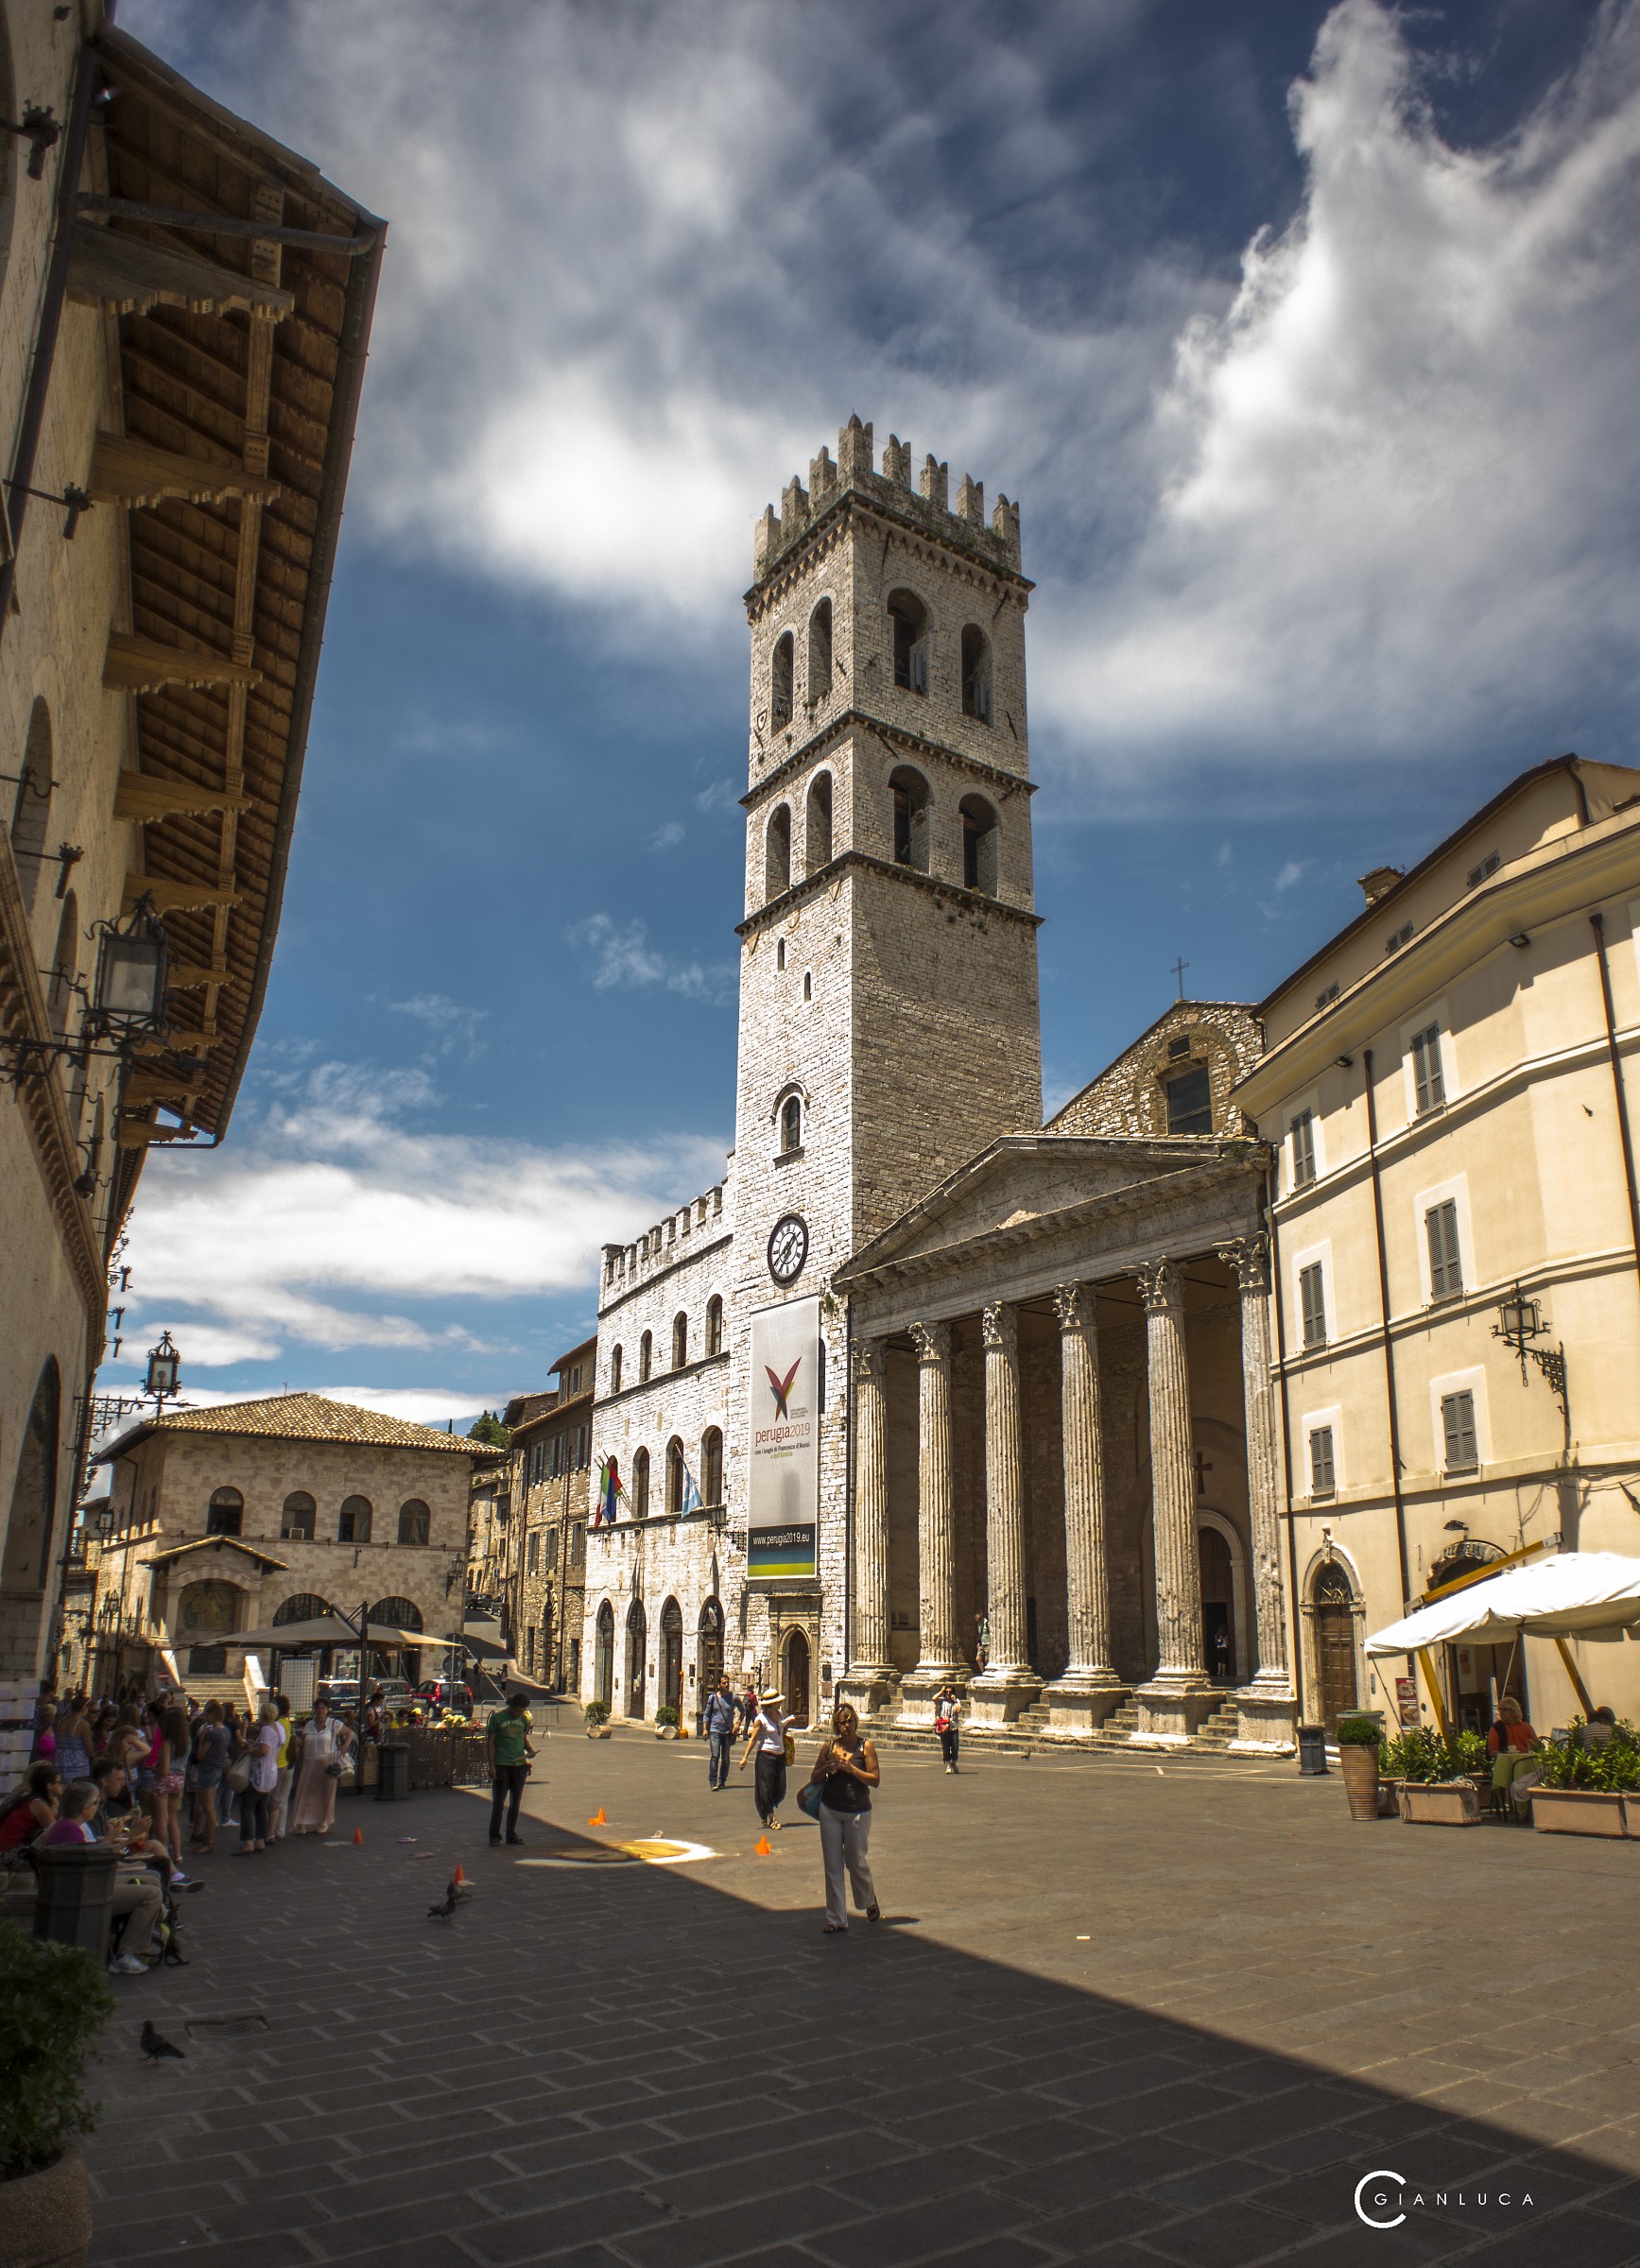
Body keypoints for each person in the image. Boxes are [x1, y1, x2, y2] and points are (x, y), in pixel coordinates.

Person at [40, 1779, 164, 1975]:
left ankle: (142, 1941)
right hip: (86, 1892)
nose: (96, 1808)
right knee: (152, 1894)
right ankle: (125, 1953)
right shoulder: (70, 1830)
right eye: (94, 1803)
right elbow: (95, 1861)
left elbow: (95, 1853)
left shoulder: (76, 1825)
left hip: (89, 1884)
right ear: (83, 1807)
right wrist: (128, 1836)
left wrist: (114, 1840)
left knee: (152, 1877)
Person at [807, 1700, 881, 1933]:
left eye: (848, 1722)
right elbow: (814, 1776)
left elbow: (875, 1779)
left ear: (855, 1722)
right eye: (841, 1723)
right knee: (833, 1865)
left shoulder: (865, 1747)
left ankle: (868, 1900)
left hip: (857, 1810)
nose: (845, 1727)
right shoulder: (829, 1747)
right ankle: (836, 1918)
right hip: (830, 1809)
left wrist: (852, 1770)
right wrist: (827, 1768)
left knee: (855, 1861)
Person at [289, 1699, 354, 1835]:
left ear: (327, 1710)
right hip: (309, 1762)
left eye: (323, 1708)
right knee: (305, 1794)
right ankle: (302, 1822)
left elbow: (350, 1733)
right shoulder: (308, 1725)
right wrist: (295, 1740)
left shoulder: (333, 1724)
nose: (321, 1711)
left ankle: (325, 1822)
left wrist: (345, 1746)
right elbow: (303, 1744)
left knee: (326, 1794)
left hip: (327, 1763)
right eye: (318, 1708)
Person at [486, 1691, 536, 1846]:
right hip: (501, 1765)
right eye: (517, 1710)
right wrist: (491, 1765)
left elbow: (523, 1738)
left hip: (519, 1765)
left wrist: (530, 1751)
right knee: (499, 1803)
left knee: (516, 1802)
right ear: (511, 1706)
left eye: (522, 1711)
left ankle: (511, 1834)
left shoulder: (522, 1720)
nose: (519, 1714)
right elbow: (490, 1743)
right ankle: (494, 1836)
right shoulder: (497, 1719)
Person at [738, 1691, 795, 1828]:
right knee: (764, 1787)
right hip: (765, 1755)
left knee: (780, 1787)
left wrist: (787, 1723)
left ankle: (765, 1810)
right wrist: (745, 1757)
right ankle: (771, 1817)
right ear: (771, 1704)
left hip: (779, 1755)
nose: (780, 1703)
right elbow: (753, 1739)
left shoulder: (779, 1714)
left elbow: (780, 1732)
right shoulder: (760, 1719)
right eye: (778, 1702)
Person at [236, 1704, 282, 1854]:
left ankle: (248, 1842)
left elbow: (264, 1750)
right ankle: (260, 1840)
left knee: (246, 1807)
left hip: (261, 1773)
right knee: (261, 1807)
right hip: (272, 1772)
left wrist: (251, 1750)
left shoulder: (266, 1730)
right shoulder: (278, 1729)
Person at [190, 1701, 230, 1852]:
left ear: (213, 1715)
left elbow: (200, 1755)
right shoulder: (225, 1731)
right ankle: (207, 1839)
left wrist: (202, 1738)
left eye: (207, 1714)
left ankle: (209, 1842)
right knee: (209, 1806)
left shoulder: (211, 1733)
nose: (205, 1717)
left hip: (207, 1771)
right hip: (217, 1770)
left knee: (207, 1808)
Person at [0, 1762, 60, 1858]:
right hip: (7, 1853)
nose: (62, 1785)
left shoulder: (32, 1798)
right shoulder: (39, 1804)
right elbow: (53, 1833)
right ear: (49, 1786)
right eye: (59, 1782)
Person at [703, 1675, 737, 1791]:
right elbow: (707, 1714)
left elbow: (742, 1710)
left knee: (726, 1758)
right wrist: (704, 1729)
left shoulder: (733, 1697)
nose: (726, 1685)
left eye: (727, 1683)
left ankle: (722, 1780)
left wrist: (738, 1724)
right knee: (715, 1756)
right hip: (714, 1730)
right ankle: (713, 1782)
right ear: (719, 1685)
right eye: (724, 1683)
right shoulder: (712, 1698)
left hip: (727, 1731)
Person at [268, 1692, 295, 1840]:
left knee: (273, 1800)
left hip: (278, 1764)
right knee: (283, 1800)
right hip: (289, 1763)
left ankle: (270, 1831)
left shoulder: (277, 1725)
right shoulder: (287, 1723)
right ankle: (280, 1830)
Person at [933, 1682, 961, 1775]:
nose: (948, 1694)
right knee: (945, 1746)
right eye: (947, 1692)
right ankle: (948, 1764)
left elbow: (958, 1710)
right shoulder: (942, 1701)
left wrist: (955, 1701)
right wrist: (941, 1691)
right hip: (944, 1727)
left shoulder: (956, 1701)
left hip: (953, 1727)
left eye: (950, 1692)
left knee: (955, 1747)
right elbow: (934, 1698)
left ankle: (953, 1762)